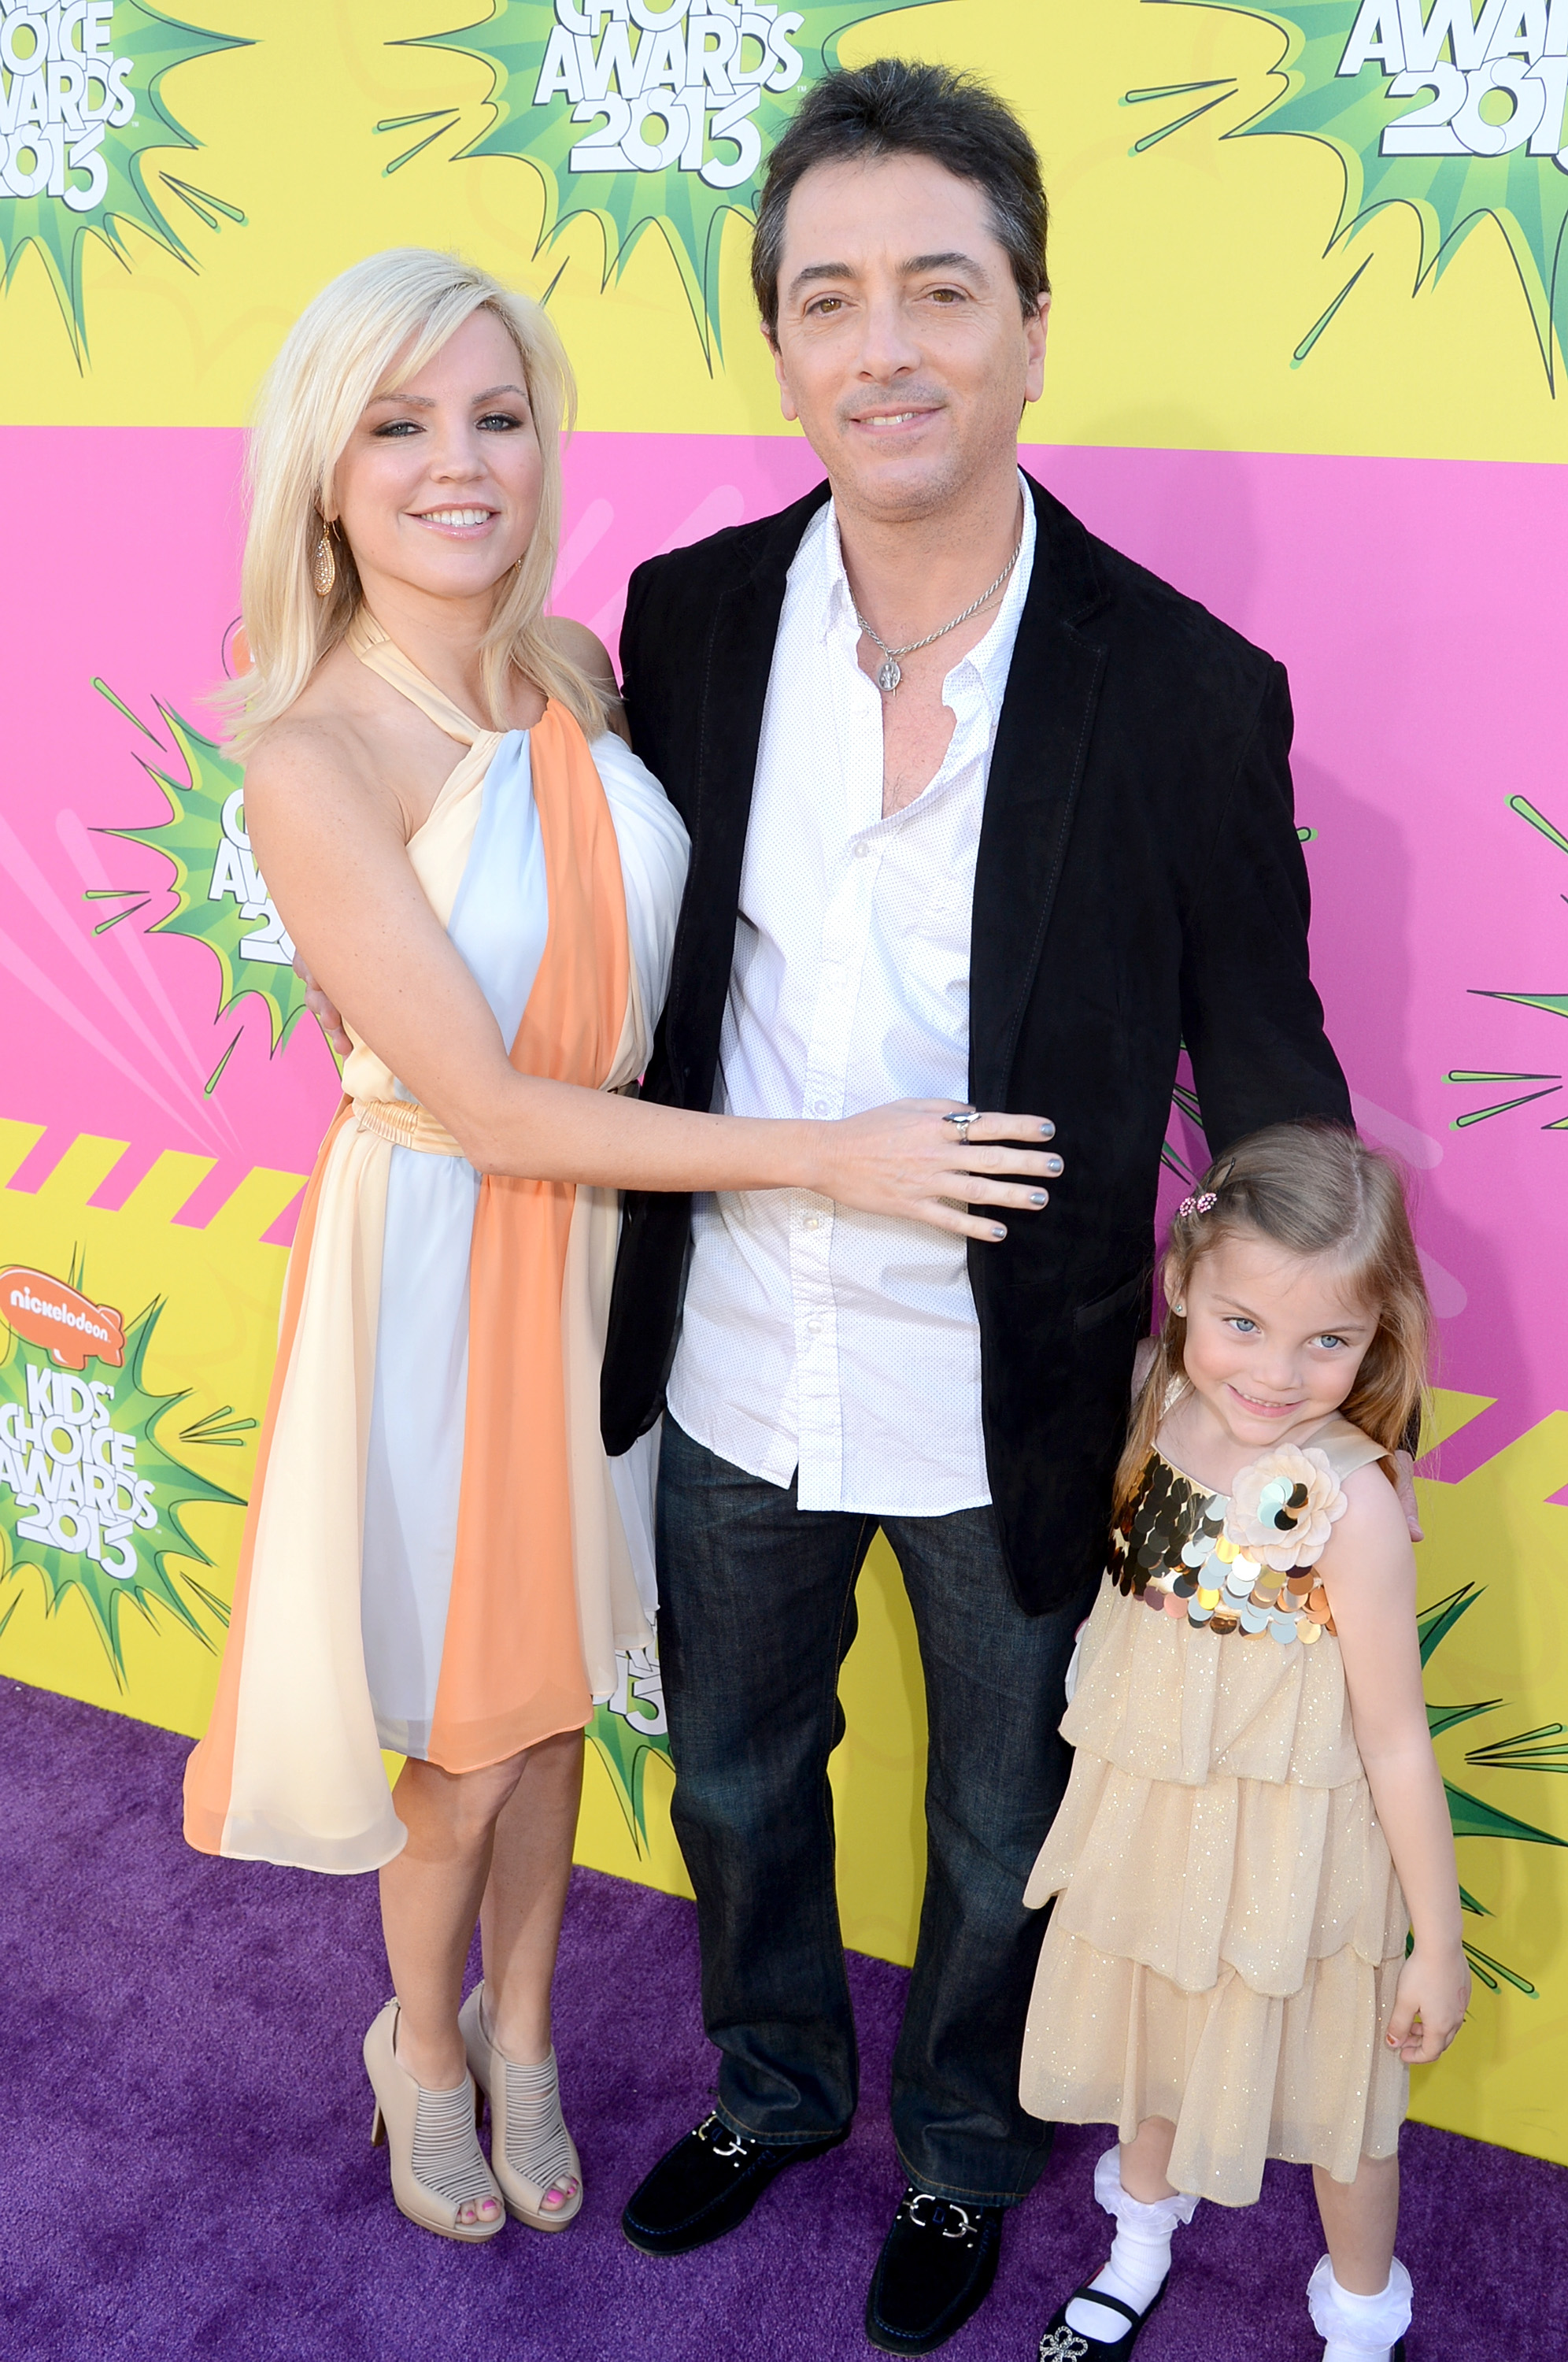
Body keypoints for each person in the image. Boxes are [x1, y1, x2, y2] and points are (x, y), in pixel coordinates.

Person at [182, 246, 1057, 2247]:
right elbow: (487, 1107)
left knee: (560, 1693)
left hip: (606, 1268)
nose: (458, 464)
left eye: (496, 415)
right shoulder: (312, 759)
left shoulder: (575, 669)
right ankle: (419, 2040)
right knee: (462, 1741)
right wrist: (826, 1155)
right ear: (325, 470)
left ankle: (531, 2036)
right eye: (399, 426)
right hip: (442, 1265)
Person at [601, 58, 1356, 2357]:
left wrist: (1299, 1378)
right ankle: (773, 2081)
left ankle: (959, 2144)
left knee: (1001, 1816)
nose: (885, 345)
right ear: (781, 343)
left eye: (941, 287)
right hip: (731, 1347)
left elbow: (1273, 1055)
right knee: (739, 1768)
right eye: (828, 299)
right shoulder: (691, 617)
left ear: (1034, 321)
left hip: (1022, 1387)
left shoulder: (1189, 692)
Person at [1022, 1123, 1468, 2362]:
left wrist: (1438, 1941)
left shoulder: (1354, 1501)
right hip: (1157, 1816)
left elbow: (1394, 1741)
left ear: (1379, 1335)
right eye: (1245, 1326)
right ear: (1181, 1287)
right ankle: (1140, 2244)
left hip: (1296, 1857)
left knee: (1339, 2103)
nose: (1277, 1374)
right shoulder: (1157, 1398)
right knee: (1152, 2039)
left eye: (1330, 1340)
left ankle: (1364, 2320)